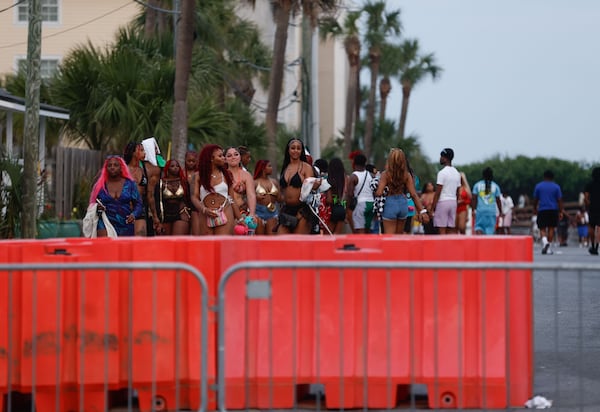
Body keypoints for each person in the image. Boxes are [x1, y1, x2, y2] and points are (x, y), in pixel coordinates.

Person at [374, 148, 429, 234]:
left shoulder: (385, 174)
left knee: (390, 238)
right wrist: (422, 211)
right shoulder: (406, 175)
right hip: (403, 204)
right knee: (399, 237)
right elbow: (413, 194)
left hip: (390, 204)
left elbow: (379, 192)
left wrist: (375, 186)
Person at [191, 144, 241, 235]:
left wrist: (240, 219)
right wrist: (204, 210)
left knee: (222, 245)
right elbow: (194, 197)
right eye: (220, 156)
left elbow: (231, 199)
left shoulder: (227, 174)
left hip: (225, 211)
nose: (224, 158)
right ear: (211, 158)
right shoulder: (198, 176)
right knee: (207, 246)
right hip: (205, 213)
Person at [89, 156, 144, 237]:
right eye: (109, 165)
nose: (112, 167)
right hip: (105, 222)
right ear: (106, 168)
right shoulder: (100, 185)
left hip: (125, 223)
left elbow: (138, 204)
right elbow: (92, 204)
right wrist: (97, 207)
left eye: (115, 165)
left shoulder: (130, 184)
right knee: (106, 248)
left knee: (124, 249)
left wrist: (134, 215)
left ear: (121, 167)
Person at [278, 138, 319, 234]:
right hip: (286, 210)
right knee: (280, 243)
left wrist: (315, 185)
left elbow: (311, 187)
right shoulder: (285, 167)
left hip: (302, 211)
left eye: (298, 148)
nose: (295, 150)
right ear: (288, 150)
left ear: (301, 151)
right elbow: (282, 190)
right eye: (293, 148)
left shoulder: (306, 167)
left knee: (298, 245)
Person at [154, 159, 191, 236]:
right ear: (167, 168)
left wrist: (187, 212)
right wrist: (158, 219)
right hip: (165, 215)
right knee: (166, 243)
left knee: (178, 241)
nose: (175, 168)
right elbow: (157, 201)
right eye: (172, 166)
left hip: (180, 213)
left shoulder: (183, 182)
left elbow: (188, 199)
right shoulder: (161, 183)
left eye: (177, 166)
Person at [533, 169, 566, 255]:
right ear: (552, 177)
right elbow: (559, 200)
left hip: (542, 209)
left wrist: (534, 208)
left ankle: (545, 242)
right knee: (551, 228)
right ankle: (548, 248)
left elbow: (536, 199)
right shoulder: (556, 187)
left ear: (544, 177)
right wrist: (561, 211)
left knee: (542, 228)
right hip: (553, 209)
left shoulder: (538, 186)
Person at [431, 148, 461, 234]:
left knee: (441, 230)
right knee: (451, 228)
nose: (440, 158)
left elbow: (438, 192)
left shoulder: (442, 173)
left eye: (441, 156)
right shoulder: (457, 173)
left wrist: (432, 208)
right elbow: (458, 191)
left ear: (445, 158)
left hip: (443, 202)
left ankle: (442, 247)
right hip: (453, 202)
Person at [123, 141, 148, 236]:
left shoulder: (144, 169)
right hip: (126, 208)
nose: (144, 153)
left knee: (141, 238)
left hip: (140, 208)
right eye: (141, 150)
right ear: (133, 153)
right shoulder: (123, 170)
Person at [225, 147, 257, 221]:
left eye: (236, 154)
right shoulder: (222, 174)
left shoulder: (246, 175)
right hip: (226, 213)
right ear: (225, 159)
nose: (233, 157)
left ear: (240, 157)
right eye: (229, 156)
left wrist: (252, 213)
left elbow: (251, 195)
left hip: (242, 212)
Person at [346, 153, 374, 233]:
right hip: (371, 204)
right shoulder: (370, 175)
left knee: (360, 231)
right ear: (365, 163)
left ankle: (362, 246)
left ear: (354, 163)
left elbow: (350, 194)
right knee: (368, 231)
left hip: (361, 205)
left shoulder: (354, 176)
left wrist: (346, 208)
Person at [141, 137, 163, 236]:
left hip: (154, 201)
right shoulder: (152, 168)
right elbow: (150, 194)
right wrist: (154, 215)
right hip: (151, 203)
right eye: (153, 149)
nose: (156, 151)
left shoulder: (157, 165)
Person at [471, 167, 503, 235]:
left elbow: (474, 198)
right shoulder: (495, 186)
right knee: (490, 231)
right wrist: (500, 212)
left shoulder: (477, 185)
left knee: (479, 227)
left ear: (483, 175)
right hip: (491, 212)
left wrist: (473, 210)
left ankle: (480, 243)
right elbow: (498, 201)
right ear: (492, 175)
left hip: (480, 212)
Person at [253, 160, 281, 235]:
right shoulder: (255, 182)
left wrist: (278, 195)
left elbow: (280, 199)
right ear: (263, 168)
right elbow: (248, 198)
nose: (271, 168)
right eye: (269, 166)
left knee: (271, 238)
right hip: (259, 212)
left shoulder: (274, 182)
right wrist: (256, 197)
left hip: (272, 211)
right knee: (260, 238)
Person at [326, 157, 349, 234]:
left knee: (328, 234)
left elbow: (329, 199)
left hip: (332, 209)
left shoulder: (329, 180)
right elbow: (346, 195)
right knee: (337, 234)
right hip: (341, 209)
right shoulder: (345, 178)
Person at [184, 150, 201, 235]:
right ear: (185, 160)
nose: (191, 163)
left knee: (196, 231)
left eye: (193, 161)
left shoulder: (199, 174)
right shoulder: (182, 173)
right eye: (189, 161)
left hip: (196, 205)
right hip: (184, 205)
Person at [584, 167, 600, 255]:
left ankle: (593, 245)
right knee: (599, 228)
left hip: (592, 207)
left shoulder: (589, 184)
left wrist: (588, 205)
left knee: (591, 227)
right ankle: (597, 246)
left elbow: (586, 198)